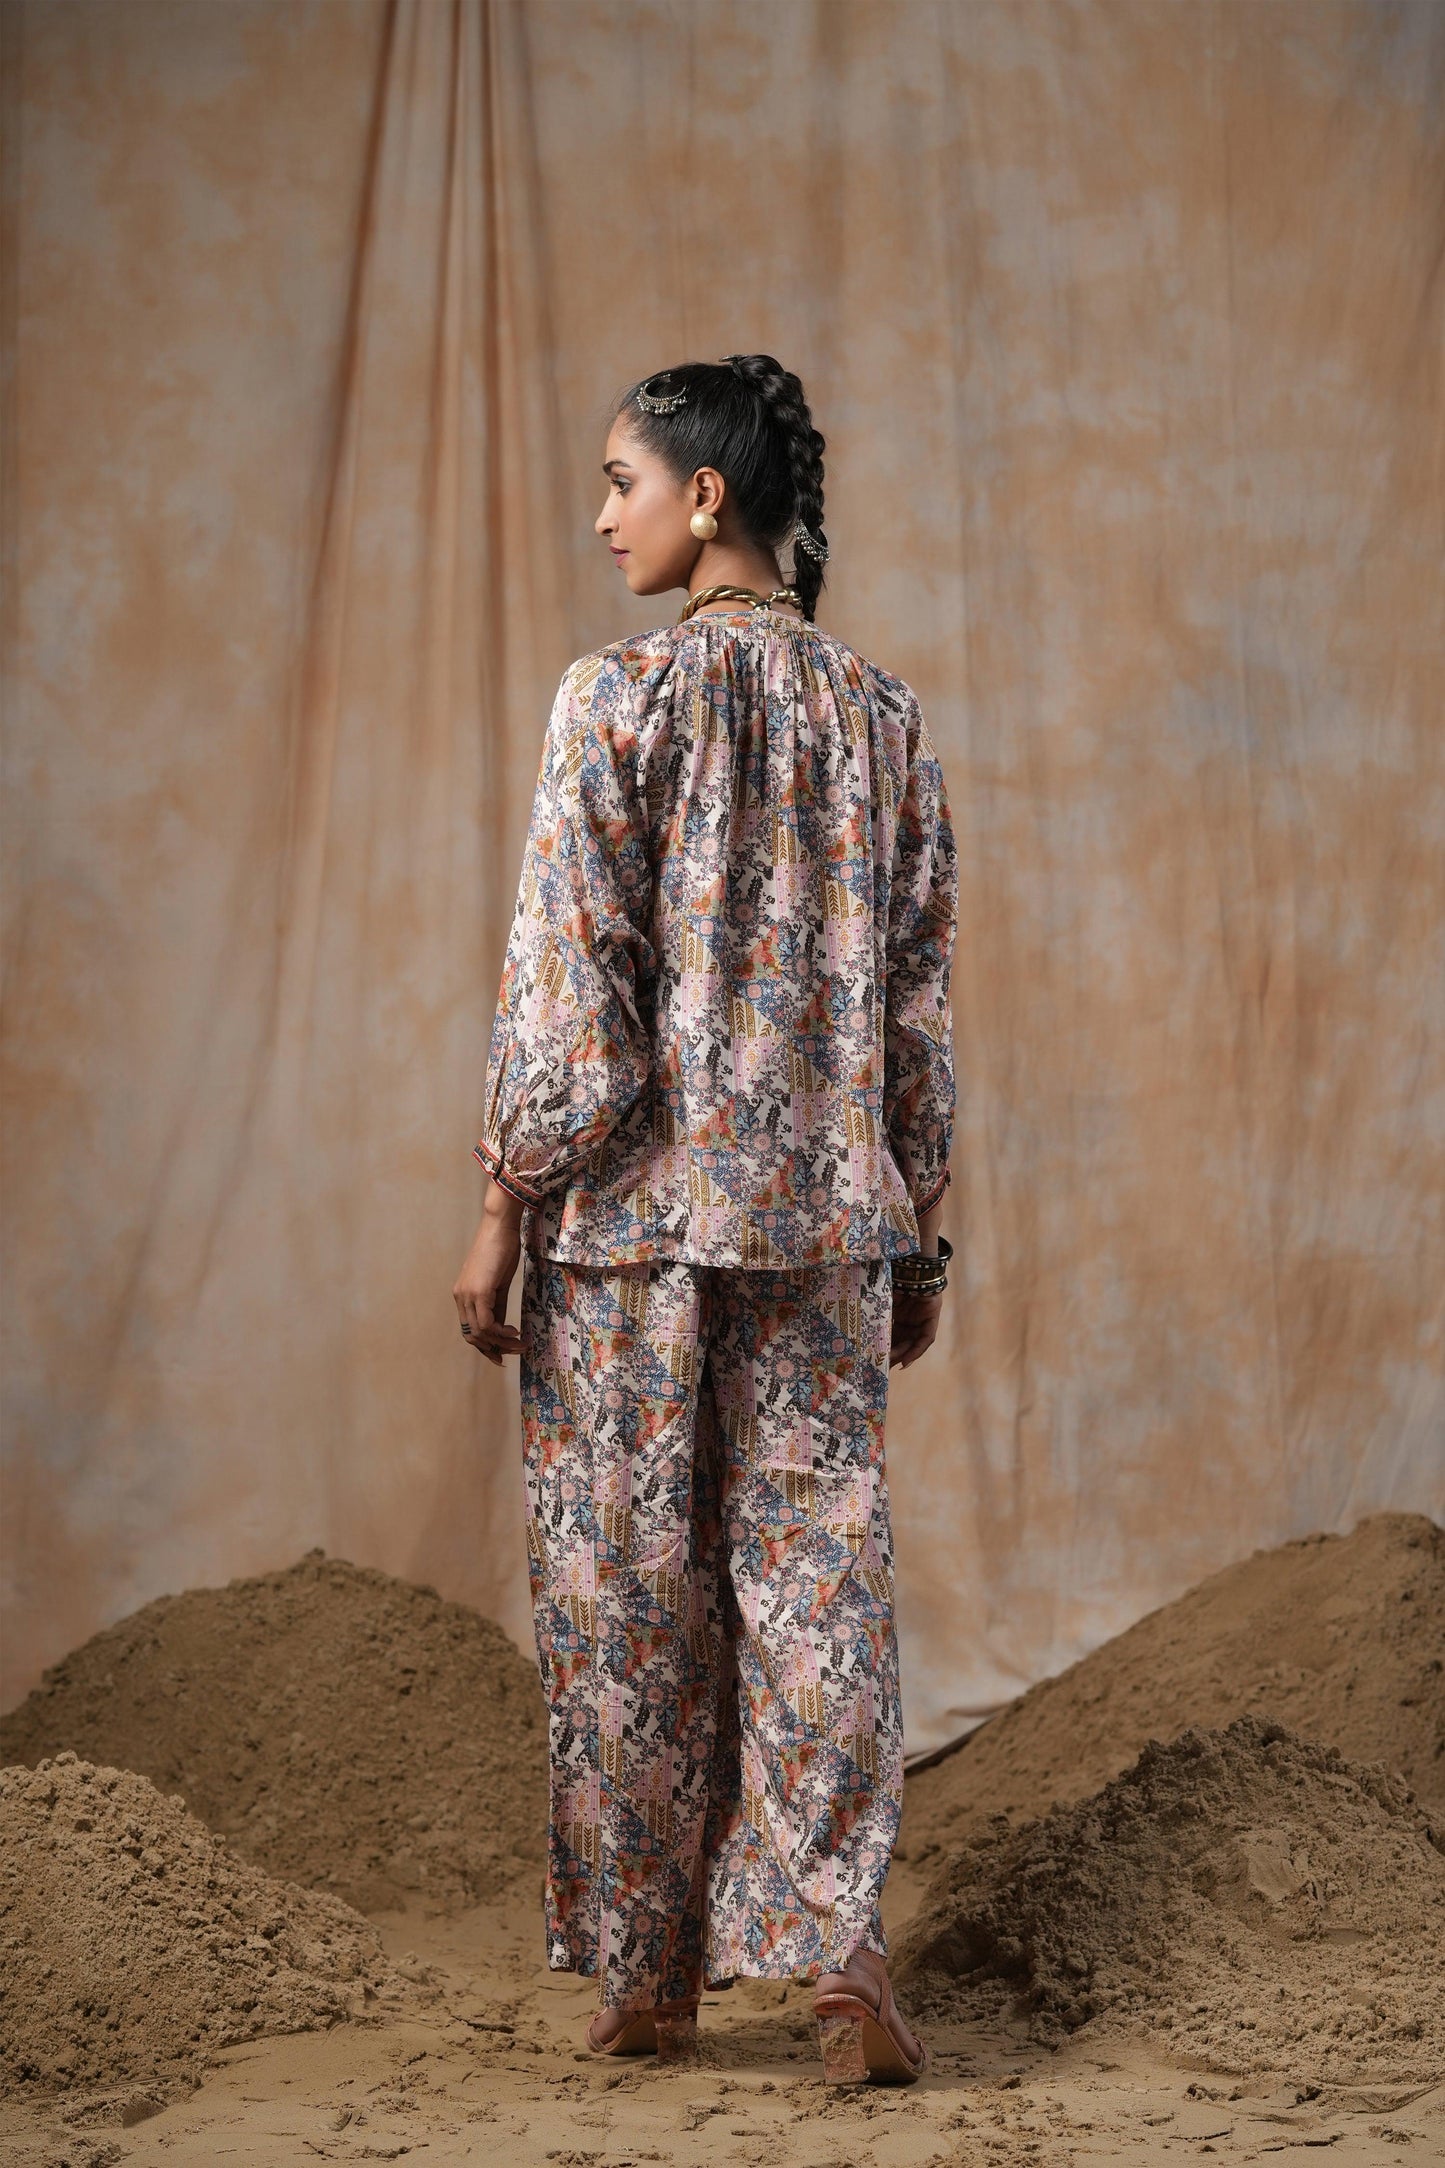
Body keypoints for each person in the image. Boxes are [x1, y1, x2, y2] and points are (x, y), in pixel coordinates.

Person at [452, 354, 957, 2086]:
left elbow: (568, 998)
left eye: (622, 483)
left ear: (707, 493)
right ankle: (841, 1956)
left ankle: (649, 1967)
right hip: (823, 1224)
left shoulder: (615, 700)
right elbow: (912, 1002)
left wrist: (503, 1206)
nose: (605, 518)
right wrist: (918, 1219)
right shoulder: (879, 715)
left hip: (628, 1238)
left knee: (628, 1594)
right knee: (816, 1579)